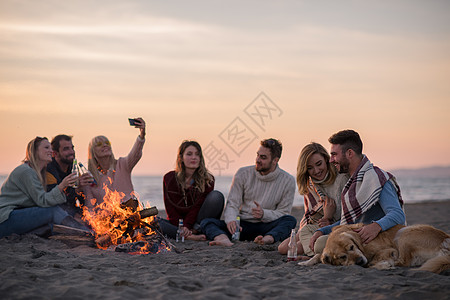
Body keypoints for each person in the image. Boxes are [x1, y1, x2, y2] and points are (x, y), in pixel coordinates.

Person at [309, 130, 406, 254]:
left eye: (334, 154)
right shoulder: (352, 184)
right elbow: (349, 221)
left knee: (321, 245)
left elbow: (398, 214)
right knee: (321, 239)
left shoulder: (376, 178)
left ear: (349, 153)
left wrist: (376, 227)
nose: (331, 160)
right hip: (359, 236)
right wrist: (322, 230)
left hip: (382, 238)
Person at [201, 138, 296, 246]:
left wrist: (264, 214)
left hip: (267, 226)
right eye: (258, 155)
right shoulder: (243, 173)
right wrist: (231, 220)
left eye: (263, 157)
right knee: (207, 222)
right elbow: (232, 204)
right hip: (242, 226)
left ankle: (266, 240)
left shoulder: (288, 181)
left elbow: (283, 213)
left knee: (290, 221)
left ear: (275, 160)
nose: (258, 160)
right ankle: (223, 239)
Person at [0, 137, 86, 238]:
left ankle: (84, 234)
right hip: (6, 219)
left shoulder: (39, 173)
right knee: (52, 211)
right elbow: (42, 201)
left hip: (16, 218)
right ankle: (88, 233)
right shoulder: (26, 171)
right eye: (46, 147)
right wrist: (62, 185)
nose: (51, 151)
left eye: (50, 148)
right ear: (35, 151)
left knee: (51, 227)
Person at [277, 142, 349, 257]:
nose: (316, 171)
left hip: (336, 227)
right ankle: (310, 250)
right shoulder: (310, 184)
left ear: (326, 159)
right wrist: (323, 219)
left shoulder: (341, 179)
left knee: (300, 247)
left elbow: (348, 217)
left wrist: (327, 218)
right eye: (310, 168)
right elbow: (310, 216)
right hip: (316, 225)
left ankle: (311, 255)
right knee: (283, 248)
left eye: (319, 164)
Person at [159, 140, 224, 241]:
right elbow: (170, 208)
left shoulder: (208, 180)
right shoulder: (169, 178)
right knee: (153, 221)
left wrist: (188, 226)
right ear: (181, 158)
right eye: (189, 154)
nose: (194, 157)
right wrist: (182, 227)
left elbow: (197, 207)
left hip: (197, 224)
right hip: (177, 225)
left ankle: (191, 233)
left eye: (197, 154)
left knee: (216, 196)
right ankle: (188, 236)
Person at [84, 118, 146, 208]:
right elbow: (90, 207)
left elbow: (136, 153)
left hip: (131, 215)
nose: (105, 145)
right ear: (93, 151)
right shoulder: (89, 177)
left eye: (107, 142)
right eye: (99, 144)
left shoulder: (122, 164)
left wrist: (142, 135)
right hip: (109, 220)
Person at [46, 134, 93, 217]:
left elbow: (79, 198)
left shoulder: (73, 168)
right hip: (56, 215)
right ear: (55, 153)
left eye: (72, 148)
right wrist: (77, 189)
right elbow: (56, 200)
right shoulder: (49, 170)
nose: (72, 152)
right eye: (66, 149)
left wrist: (82, 214)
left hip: (70, 212)